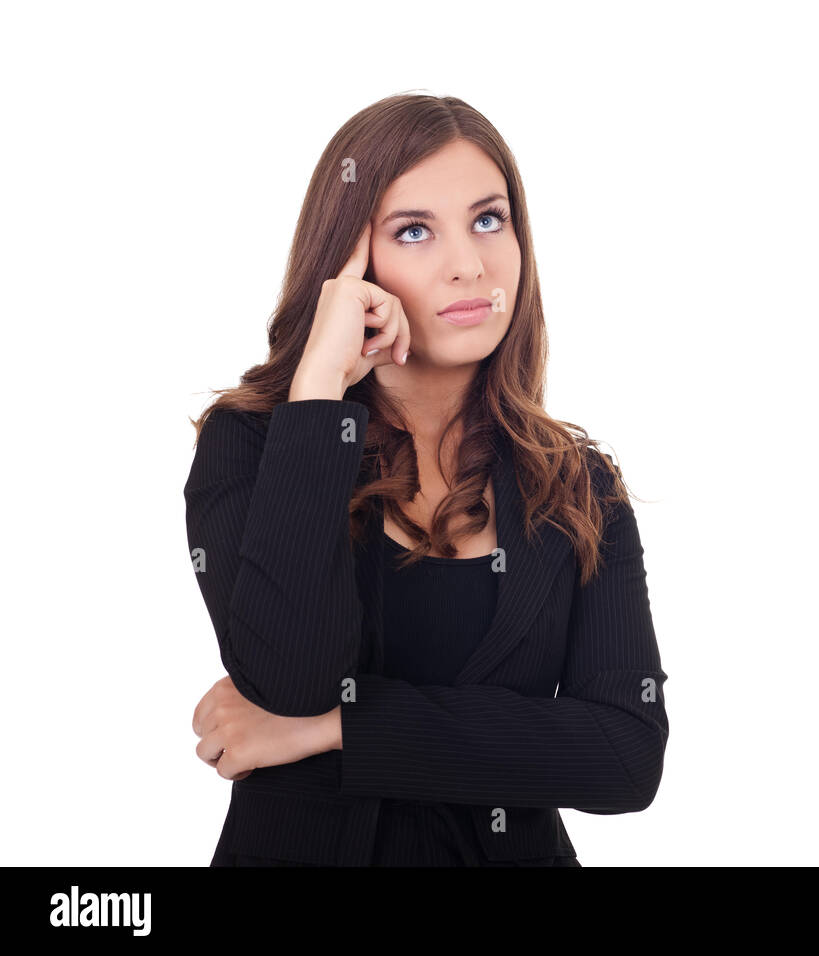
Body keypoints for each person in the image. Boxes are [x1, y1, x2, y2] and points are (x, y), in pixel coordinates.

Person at [184, 93, 668, 866]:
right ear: (350, 263)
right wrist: (319, 388)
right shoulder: (254, 445)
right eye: (414, 231)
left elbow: (622, 754)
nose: (469, 263)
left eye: (489, 219)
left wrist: (338, 730)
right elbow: (293, 677)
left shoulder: (579, 485)